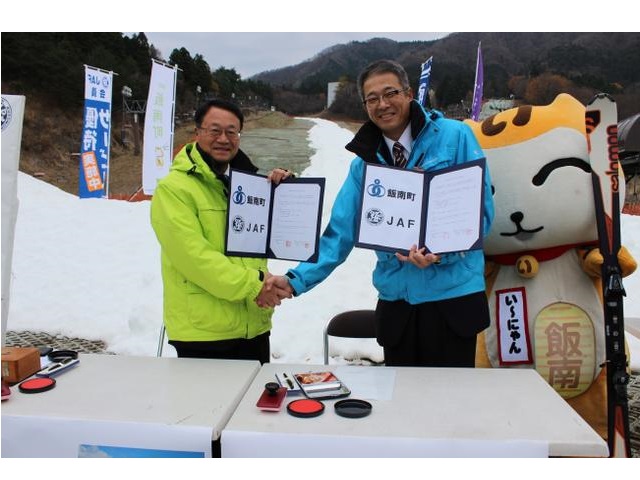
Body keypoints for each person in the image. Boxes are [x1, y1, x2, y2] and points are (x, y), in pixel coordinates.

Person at [271, 59, 494, 367]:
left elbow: (480, 214)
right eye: (372, 98)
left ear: (409, 93)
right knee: (400, 404)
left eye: (390, 93)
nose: (382, 104)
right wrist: (295, 280)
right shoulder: (364, 164)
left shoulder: (455, 137)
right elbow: (339, 232)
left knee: (452, 406)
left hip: (452, 300)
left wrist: (441, 252)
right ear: (365, 105)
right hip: (397, 304)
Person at [150, 99, 292, 363]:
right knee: (206, 405)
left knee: (254, 404)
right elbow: (194, 258)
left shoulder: (247, 184)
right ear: (197, 133)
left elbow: (274, 233)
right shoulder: (174, 189)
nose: (223, 139)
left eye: (232, 132)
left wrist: (284, 192)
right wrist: (256, 285)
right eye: (215, 130)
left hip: (253, 325)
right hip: (205, 334)